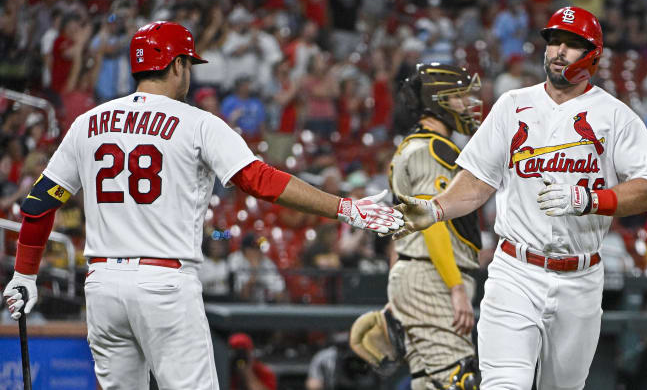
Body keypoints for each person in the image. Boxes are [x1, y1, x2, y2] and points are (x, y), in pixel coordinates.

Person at [1, 21, 403, 390]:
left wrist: (25, 274)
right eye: (188, 64)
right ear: (175, 65)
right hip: (165, 283)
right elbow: (259, 180)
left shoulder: (89, 122)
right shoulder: (196, 122)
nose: (189, 73)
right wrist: (345, 207)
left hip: (103, 285)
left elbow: (37, 204)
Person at [393, 7, 647, 389]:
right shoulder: (512, 105)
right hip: (516, 270)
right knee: (505, 383)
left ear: (593, 54)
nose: (558, 50)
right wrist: (436, 208)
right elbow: (476, 181)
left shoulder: (616, 117)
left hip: (581, 277)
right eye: (554, 41)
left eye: (571, 44)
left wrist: (589, 199)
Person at [388, 63, 484, 390]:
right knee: (459, 381)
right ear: (436, 100)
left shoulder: (410, 145)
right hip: (436, 277)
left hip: (414, 272)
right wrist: (456, 287)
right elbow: (432, 220)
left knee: (428, 384)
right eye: (459, 96)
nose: (468, 104)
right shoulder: (434, 148)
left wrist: (400, 291)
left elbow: (402, 226)